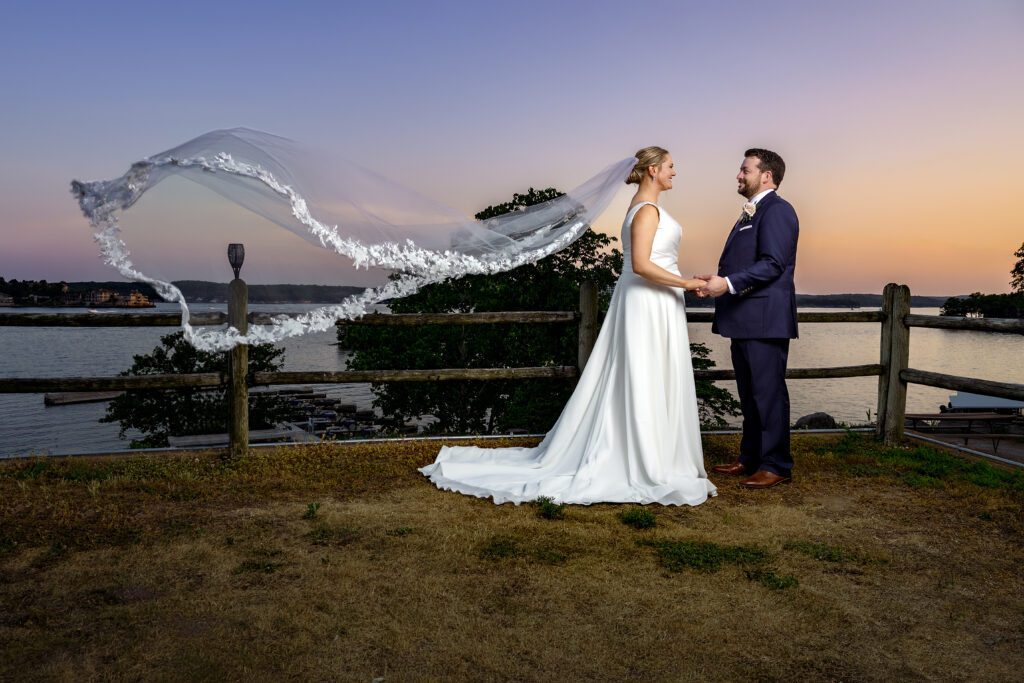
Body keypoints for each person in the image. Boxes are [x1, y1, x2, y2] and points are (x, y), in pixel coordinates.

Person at [418, 147, 716, 506]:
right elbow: (640, 264)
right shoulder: (647, 211)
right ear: (652, 170)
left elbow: (653, 260)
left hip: (655, 301)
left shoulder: (643, 207)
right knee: (643, 371)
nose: (674, 173)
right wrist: (686, 283)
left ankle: (655, 450)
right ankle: (645, 457)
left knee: (648, 372)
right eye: (670, 167)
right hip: (648, 301)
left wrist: (682, 283)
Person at [697, 148, 799, 489]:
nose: (739, 175)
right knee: (750, 393)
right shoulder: (750, 213)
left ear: (766, 175)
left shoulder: (779, 211)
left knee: (768, 394)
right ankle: (751, 457)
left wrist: (725, 284)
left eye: (745, 170)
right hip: (745, 318)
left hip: (765, 320)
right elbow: (743, 263)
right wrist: (716, 283)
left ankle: (777, 465)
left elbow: (773, 263)